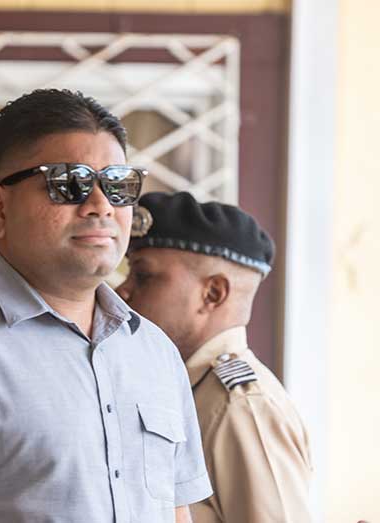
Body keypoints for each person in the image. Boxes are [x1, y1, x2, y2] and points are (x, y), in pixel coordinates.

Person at [0, 89, 212, 523]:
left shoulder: (154, 352)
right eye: (69, 183)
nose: (100, 205)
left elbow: (177, 514)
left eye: (118, 184)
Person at [116, 191, 314, 522]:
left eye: (143, 275)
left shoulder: (240, 407)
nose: (122, 290)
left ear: (212, 293)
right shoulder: (182, 387)